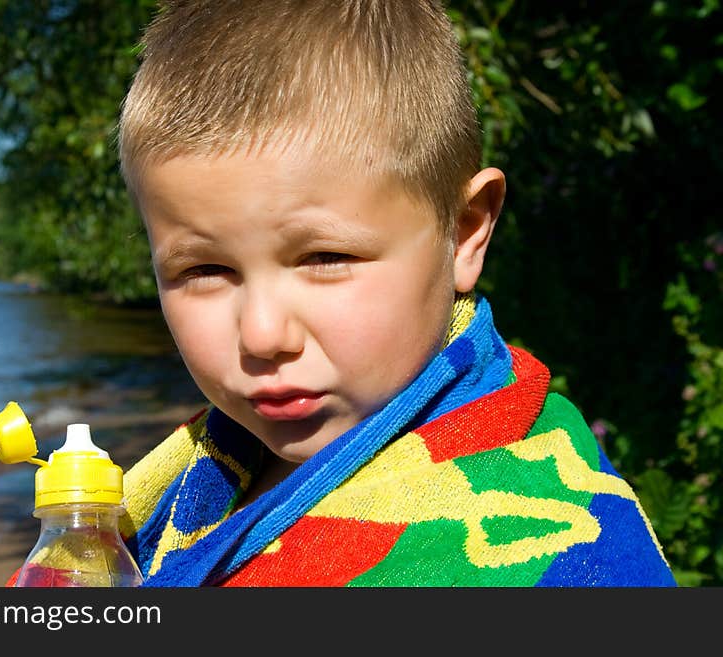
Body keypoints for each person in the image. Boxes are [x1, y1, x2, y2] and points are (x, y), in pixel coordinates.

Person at [106, 0, 677, 587]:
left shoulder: (563, 545)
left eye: (325, 257)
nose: (262, 335)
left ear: (463, 233)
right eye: (204, 270)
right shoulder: (213, 462)